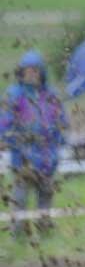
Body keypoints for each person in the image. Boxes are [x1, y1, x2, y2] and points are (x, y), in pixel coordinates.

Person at [0, 50, 68, 234]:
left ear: (41, 72)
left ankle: (45, 232)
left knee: (45, 198)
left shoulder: (50, 95)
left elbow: (62, 122)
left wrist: (60, 141)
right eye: (27, 70)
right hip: (22, 158)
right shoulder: (14, 94)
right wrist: (10, 139)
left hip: (47, 157)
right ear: (21, 73)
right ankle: (17, 234)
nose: (31, 74)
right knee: (19, 199)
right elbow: (4, 122)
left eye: (35, 70)